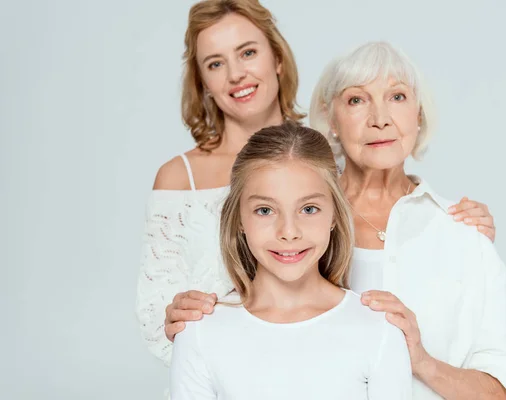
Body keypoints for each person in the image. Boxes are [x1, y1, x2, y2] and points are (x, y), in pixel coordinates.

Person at [137, 0, 496, 366]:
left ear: (277, 59)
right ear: (203, 83)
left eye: (247, 52)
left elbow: (391, 221)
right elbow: (154, 316)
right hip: (218, 374)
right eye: (215, 63)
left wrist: (461, 230)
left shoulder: (328, 154)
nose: (235, 75)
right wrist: (176, 318)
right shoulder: (180, 177)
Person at [308, 42, 506, 399]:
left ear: (419, 115)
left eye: (397, 97)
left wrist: (421, 361)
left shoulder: (463, 235)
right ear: (331, 119)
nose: (380, 118)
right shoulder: (294, 231)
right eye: (357, 100)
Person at [170, 123, 412, 399]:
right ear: (238, 219)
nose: (288, 232)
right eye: (265, 210)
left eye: (309, 209)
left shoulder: (378, 329)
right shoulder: (199, 332)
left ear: (334, 214)